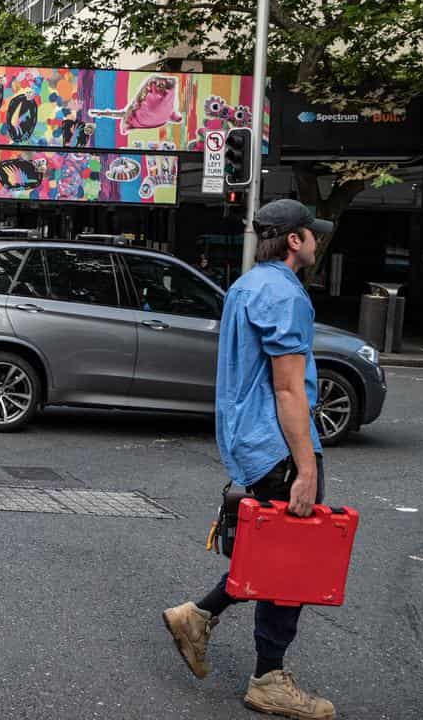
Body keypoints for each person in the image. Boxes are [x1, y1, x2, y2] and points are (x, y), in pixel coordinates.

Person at [162, 198, 337, 720]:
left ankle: (198, 616)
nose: (316, 240)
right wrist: (306, 467)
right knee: (294, 562)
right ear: (293, 241)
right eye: (311, 233)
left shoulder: (246, 285)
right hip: (278, 444)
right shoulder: (285, 295)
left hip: (249, 438)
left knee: (274, 551)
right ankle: (268, 680)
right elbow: (288, 389)